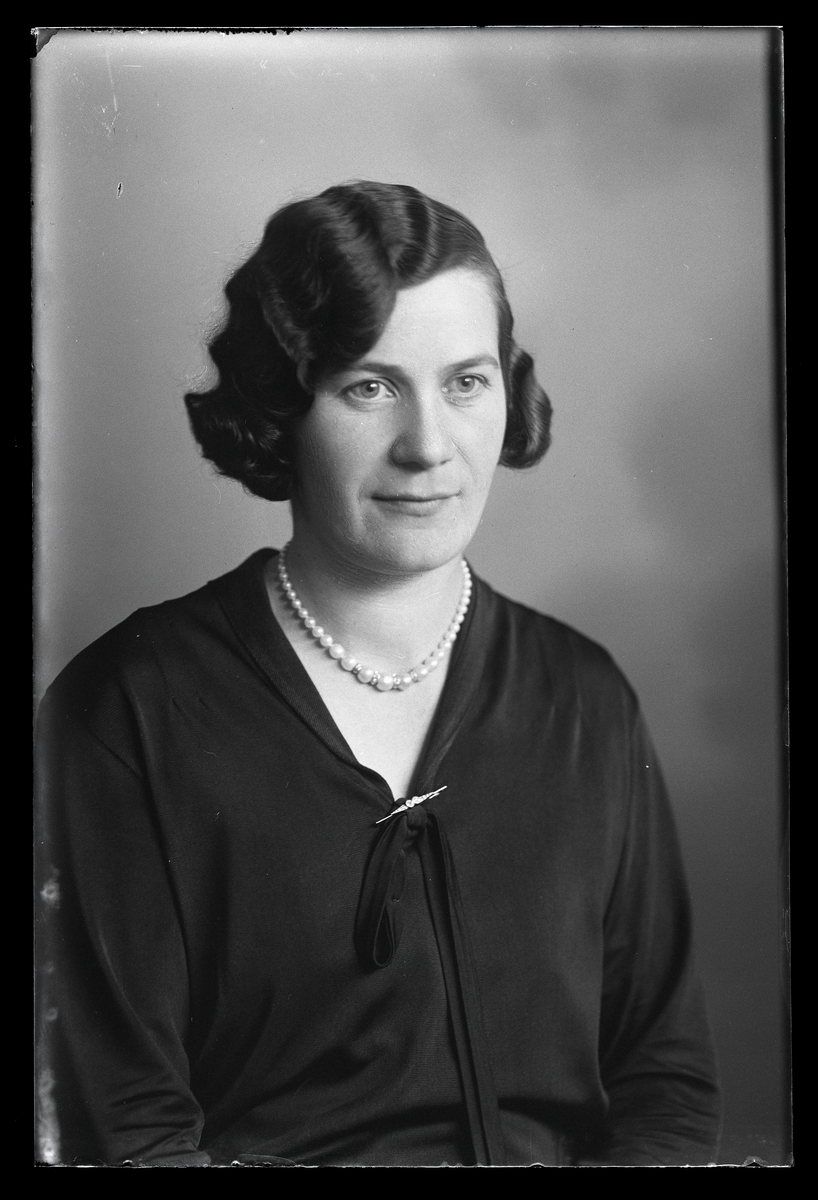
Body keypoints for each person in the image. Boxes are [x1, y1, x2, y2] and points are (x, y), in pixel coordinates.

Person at [36, 180, 721, 1167]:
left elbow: (663, 1078)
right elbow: (125, 1125)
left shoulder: (584, 699)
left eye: (466, 382)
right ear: (280, 405)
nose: (428, 446)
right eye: (369, 387)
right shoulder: (126, 711)